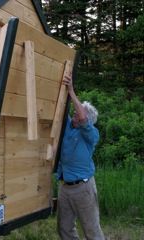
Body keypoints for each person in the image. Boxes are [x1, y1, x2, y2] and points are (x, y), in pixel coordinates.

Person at [56, 74, 105, 240]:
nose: (75, 115)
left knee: (92, 231)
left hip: (83, 189)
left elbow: (83, 117)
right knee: (65, 229)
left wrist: (71, 90)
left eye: (78, 113)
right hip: (65, 187)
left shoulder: (91, 134)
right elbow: (60, 110)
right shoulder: (69, 126)